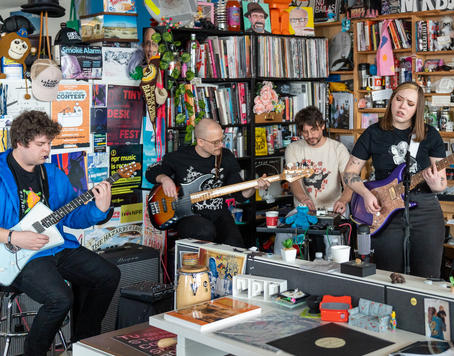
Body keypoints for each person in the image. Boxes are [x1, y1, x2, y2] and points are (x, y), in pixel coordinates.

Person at [0, 110, 120, 356]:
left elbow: (72, 216)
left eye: (49, 144)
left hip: (56, 246)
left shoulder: (52, 174)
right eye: (41, 144)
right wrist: (13, 237)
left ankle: (84, 345)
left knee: (108, 275)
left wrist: (99, 210)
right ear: (20, 143)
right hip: (16, 254)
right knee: (60, 299)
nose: (47, 150)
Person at [343, 82, 447, 277]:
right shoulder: (373, 133)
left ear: (418, 109)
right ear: (392, 100)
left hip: (425, 210)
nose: (402, 107)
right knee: (387, 273)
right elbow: (349, 174)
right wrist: (365, 194)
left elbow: (441, 184)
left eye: (410, 103)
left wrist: (435, 185)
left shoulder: (430, 134)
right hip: (384, 208)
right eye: (399, 100)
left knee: (429, 276)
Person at [146, 118, 269, 246]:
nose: (221, 145)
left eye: (222, 139)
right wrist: (164, 179)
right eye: (215, 142)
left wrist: (254, 186)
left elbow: (240, 196)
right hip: (187, 215)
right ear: (200, 142)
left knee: (235, 244)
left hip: (218, 213)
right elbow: (150, 172)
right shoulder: (179, 157)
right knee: (205, 231)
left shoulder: (226, 157)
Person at [284, 106, 351, 214]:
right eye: (305, 132)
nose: (310, 136)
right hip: (303, 208)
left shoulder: (339, 149)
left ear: (322, 126)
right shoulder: (292, 149)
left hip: (334, 208)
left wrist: (343, 200)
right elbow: (294, 180)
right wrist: (303, 199)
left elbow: (349, 183)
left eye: (313, 130)